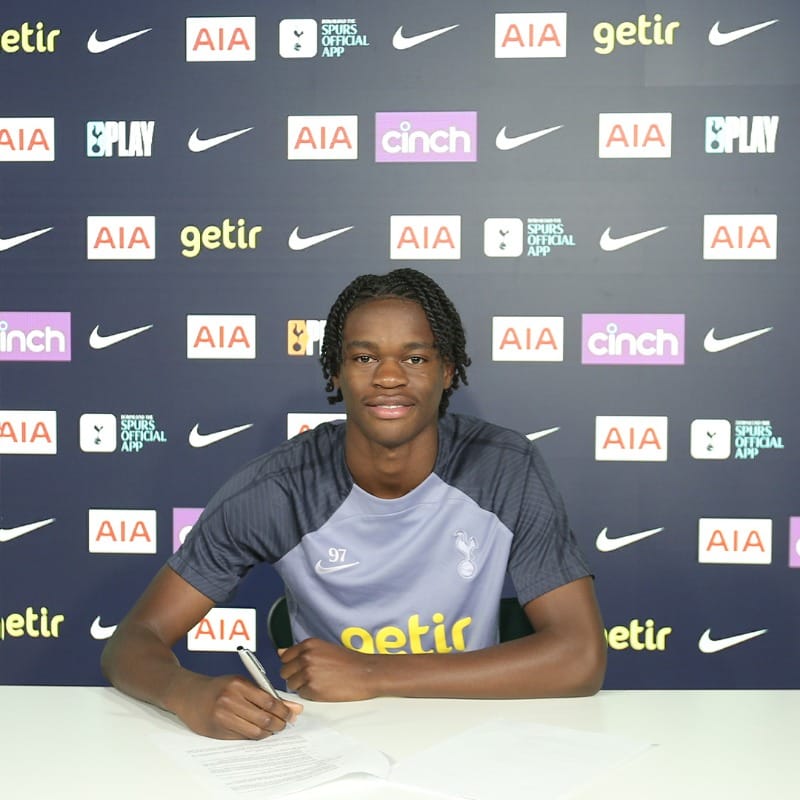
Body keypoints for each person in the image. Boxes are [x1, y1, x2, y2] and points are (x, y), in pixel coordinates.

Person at [101, 267, 606, 740]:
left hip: (468, 728)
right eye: (364, 358)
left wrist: (371, 672)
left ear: (448, 371)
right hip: (331, 738)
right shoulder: (278, 489)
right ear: (336, 373)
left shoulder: (504, 467)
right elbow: (133, 640)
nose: (389, 376)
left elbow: (581, 656)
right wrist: (185, 692)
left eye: (415, 358)